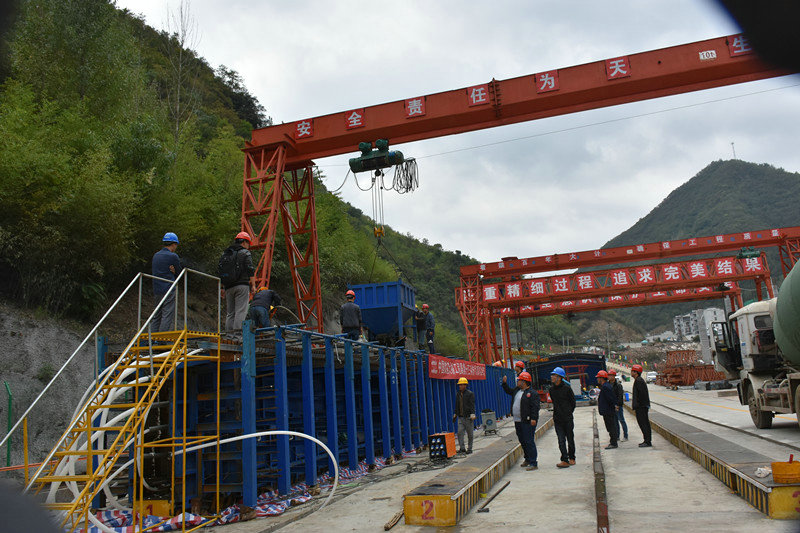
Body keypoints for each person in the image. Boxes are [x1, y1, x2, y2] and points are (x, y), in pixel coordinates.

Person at [219, 231, 256, 332]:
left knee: (230, 313)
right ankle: (237, 336)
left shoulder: (226, 253)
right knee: (240, 311)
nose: (248, 246)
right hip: (241, 286)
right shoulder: (245, 252)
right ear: (244, 242)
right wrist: (253, 285)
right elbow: (250, 269)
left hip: (228, 287)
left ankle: (229, 335)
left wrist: (222, 287)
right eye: (248, 243)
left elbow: (221, 271)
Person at [502, 371, 539, 470]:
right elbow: (509, 391)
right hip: (518, 420)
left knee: (529, 441)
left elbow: (535, 407)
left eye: (519, 380)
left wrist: (534, 418)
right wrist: (504, 384)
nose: (517, 382)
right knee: (522, 440)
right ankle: (527, 459)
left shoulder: (532, 393)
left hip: (527, 421)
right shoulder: (517, 390)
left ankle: (533, 462)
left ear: (524, 381)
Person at [151, 232, 182, 333]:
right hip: (168, 288)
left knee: (157, 315)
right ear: (173, 244)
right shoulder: (173, 256)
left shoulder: (156, 255)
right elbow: (180, 273)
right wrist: (174, 272)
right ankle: (161, 339)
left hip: (157, 289)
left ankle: (152, 339)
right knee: (167, 315)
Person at [549, 367, 576, 468]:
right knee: (561, 440)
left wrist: (567, 412)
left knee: (570, 438)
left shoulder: (567, 389)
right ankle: (564, 459)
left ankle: (572, 457)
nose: (552, 377)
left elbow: (573, 403)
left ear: (560, 377)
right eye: (552, 375)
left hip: (567, 418)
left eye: (554, 375)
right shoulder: (551, 390)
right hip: (558, 419)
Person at [452, 377, 476, 454]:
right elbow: (457, 405)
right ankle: (462, 448)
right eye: (459, 385)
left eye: (461, 385)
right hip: (461, 417)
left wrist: (472, 414)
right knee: (460, 433)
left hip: (468, 417)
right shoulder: (458, 394)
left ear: (465, 385)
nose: (460, 386)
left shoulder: (470, 394)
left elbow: (472, 405)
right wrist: (455, 413)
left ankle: (469, 448)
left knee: (470, 434)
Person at [631, 364, 652, 447]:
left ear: (636, 372)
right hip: (642, 406)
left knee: (644, 424)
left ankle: (647, 441)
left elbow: (642, 395)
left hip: (641, 407)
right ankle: (647, 440)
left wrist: (639, 405)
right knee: (644, 423)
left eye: (632, 371)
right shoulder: (638, 380)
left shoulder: (639, 381)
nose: (631, 372)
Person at [597, 370, 619, 449]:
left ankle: (613, 443)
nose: (597, 380)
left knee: (611, 427)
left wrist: (613, 406)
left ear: (601, 378)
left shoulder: (606, 387)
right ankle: (613, 442)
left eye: (598, 378)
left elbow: (610, 399)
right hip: (607, 411)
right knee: (610, 427)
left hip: (608, 411)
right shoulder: (606, 386)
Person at [608, 370, 628, 442]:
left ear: (614, 376)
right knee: (615, 422)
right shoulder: (608, 385)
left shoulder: (618, 385)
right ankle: (617, 436)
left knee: (621, 420)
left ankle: (625, 435)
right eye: (609, 375)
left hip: (618, 406)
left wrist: (618, 405)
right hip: (612, 406)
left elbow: (620, 396)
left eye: (611, 375)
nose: (609, 377)